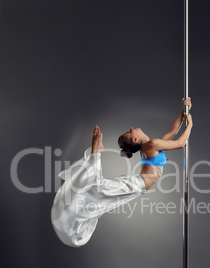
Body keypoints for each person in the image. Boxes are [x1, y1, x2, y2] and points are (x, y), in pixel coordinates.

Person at [51, 98, 193, 247]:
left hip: (137, 186)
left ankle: (95, 154)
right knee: (98, 188)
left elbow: (172, 132)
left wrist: (183, 113)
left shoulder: (152, 144)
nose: (131, 127)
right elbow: (180, 143)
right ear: (135, 139)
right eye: (129, 132)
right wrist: (190, 125)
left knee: (99, 191)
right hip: (136, 184)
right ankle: (95, 152)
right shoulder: (151, 145)